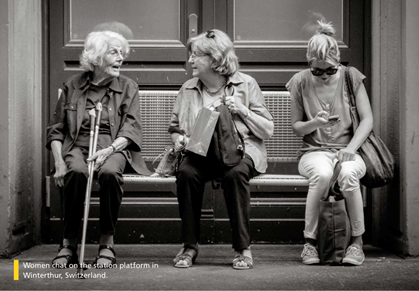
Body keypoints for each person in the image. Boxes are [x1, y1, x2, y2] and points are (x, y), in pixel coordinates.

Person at [168, 29, 274, 270]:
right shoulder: (188, 88)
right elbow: (174, 128)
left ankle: (242, 248)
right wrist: (178, 140)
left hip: (239, 151)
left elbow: (268, 130)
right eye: (191, 55)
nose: (190, 60)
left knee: (235, 174)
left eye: (196, 55)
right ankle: (189, 245)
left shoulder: (245, 85)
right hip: (200, 151)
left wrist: (241, 110)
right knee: (186, 173)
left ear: (215, 60)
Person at [46, 30, 151, 268]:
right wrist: (59, 163)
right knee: (76, 173)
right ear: (96, 57)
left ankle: (107, 242)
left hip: (112, 147)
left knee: (110, 174)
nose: (120, 58)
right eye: (113, 52)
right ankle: (69, 243)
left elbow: (131, 129)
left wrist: (109, 150)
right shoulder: (73, 85)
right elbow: (56, 129)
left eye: (121, 53)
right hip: (76, 146)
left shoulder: (128, 87)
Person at [286, 20, 373, 266]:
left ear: (338, 62)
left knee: (347, 173)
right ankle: (310, 243)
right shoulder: (300, 81)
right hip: (313, 152)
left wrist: (350, 149)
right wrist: (314, 123)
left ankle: (357, 243)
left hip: (349, 149)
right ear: (309, 63)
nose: (324, 76)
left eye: (330, 70)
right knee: (323, 175)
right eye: (318, 71)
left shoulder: (351, 77)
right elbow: (296, 127)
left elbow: (367, 120)